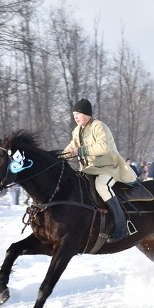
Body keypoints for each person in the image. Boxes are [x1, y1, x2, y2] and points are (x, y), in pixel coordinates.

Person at [62, 98, 138, 242]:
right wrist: (57, 157)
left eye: (77, 113)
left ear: (86, 113)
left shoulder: (99, 126)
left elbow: (103, 147)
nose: (75, 117)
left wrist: (80, 151)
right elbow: (71, 149)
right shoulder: (77, 131)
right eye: (73, 115)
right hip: (89, 170)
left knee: (102, 186)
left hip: (109, 169)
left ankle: (121, 227)